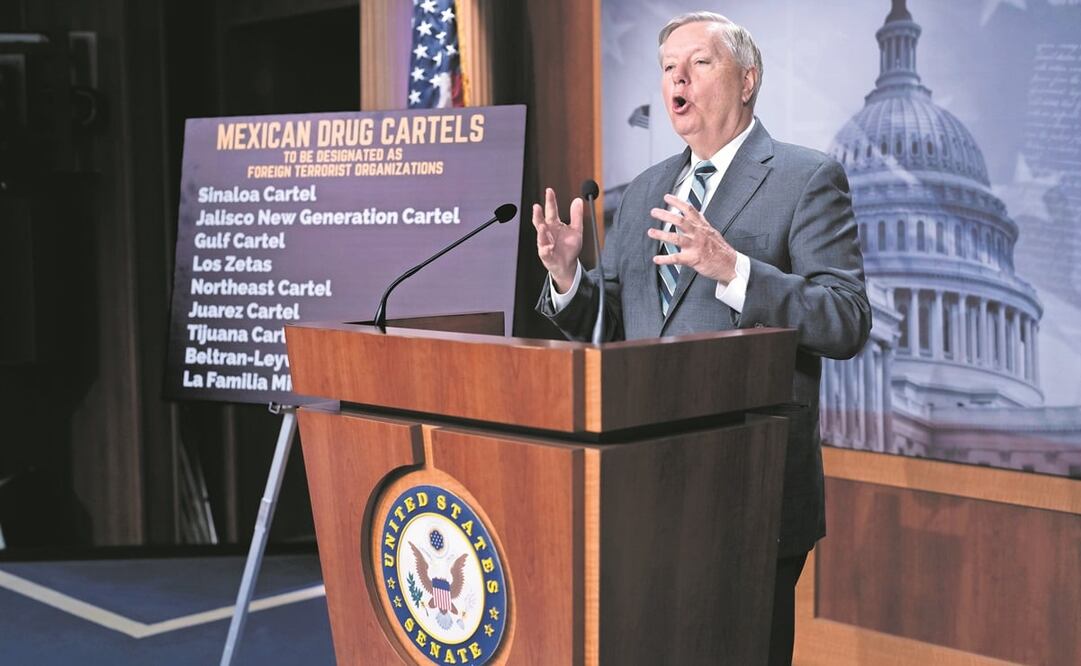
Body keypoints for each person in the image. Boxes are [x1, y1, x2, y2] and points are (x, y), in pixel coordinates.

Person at [533, 11, 871, 665]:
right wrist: (570, 277)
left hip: (747, 488)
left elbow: (846, 320)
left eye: (698, 63)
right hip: (642, 486)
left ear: (747, 80)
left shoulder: (806, 178)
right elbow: (619, 320)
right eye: (666, 68)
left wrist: (734, 271)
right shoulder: (645, 192)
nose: (676, 79)